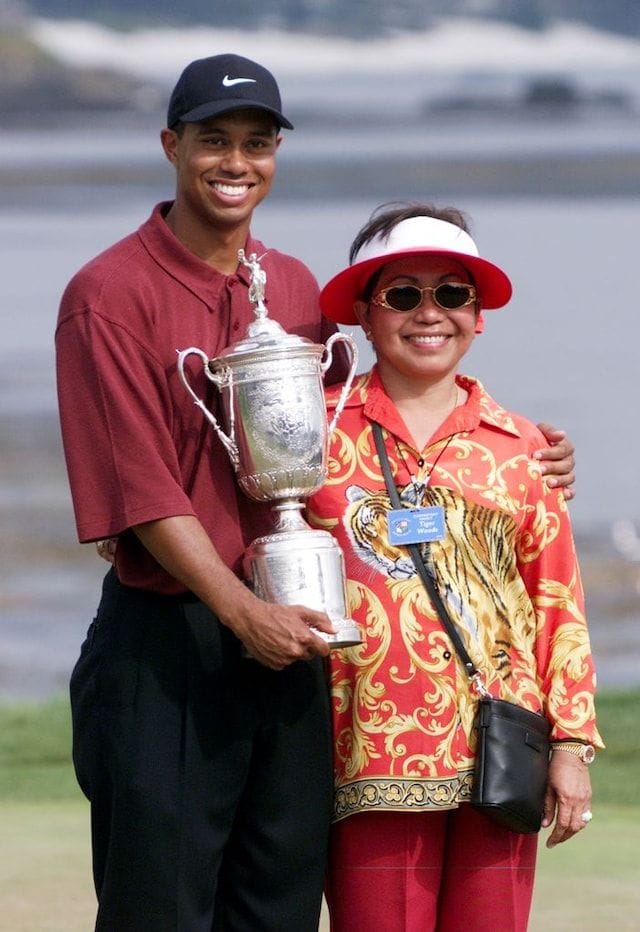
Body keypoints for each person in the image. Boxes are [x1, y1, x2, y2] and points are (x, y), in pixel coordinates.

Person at [55, 51, 576, 930]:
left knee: (279, 910)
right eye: (213, 140)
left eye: (257, 143)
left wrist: (528, 450)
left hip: (295, 647)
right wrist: (240, 611)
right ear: (169, 145)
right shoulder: (107, 295)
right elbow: (139, 492)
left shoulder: (292, 287)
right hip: (173, 647)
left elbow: (358, 422)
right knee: (161, 912)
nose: (236, 162)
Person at [307, 203, 603, 932]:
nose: (429, 313)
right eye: (403, 294)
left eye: (452, 294)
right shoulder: (312, 435)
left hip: (501, 752)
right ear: (365, 315)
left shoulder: (524, 448)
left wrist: (571, 748)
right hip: (361, 757)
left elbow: (558, 603)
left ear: (479, 316)